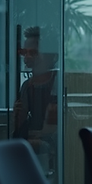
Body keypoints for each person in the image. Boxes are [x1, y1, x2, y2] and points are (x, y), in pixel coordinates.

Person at [13, 26, 58, 173]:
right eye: (24, 53)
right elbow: (20, 128)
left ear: (52, 56)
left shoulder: (58, 83)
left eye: (33, 53)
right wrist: (19, 118)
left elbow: (56, 125)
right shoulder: (27, 86)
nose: (27, 58)